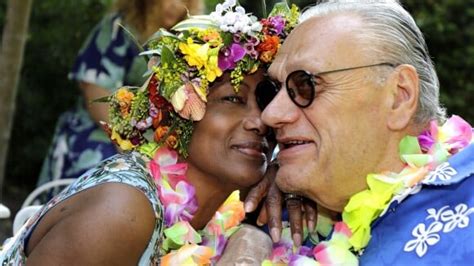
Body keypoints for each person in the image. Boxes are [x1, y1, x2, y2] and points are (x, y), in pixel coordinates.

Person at [0, 1, 299, 264]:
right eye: (232, 99)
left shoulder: (216, 213)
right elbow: (92, 83)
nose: (261, 120)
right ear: (174, 112)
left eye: (266, 100)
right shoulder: (121, 211)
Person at [253, 0, 474, 264]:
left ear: (399, 97)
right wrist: (250, 232)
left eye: (305, 84)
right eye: (272, 90)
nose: (271, 114)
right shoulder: (285, 219)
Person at [37, 0, 203, 186]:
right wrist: (130, 146)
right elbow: (94, 90)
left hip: (153, 145)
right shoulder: (118, 29)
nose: (175, 5)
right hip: (101, 133)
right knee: (106, 184)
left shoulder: (186, 41)